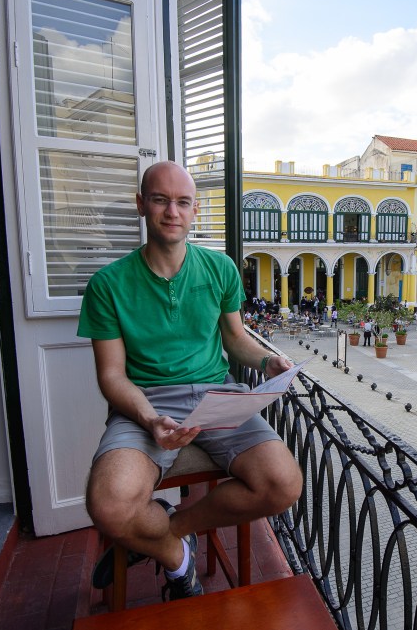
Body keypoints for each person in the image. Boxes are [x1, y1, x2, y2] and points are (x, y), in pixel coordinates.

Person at [77, 161, 303, 600]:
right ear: (141, 205)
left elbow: (235, 340)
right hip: (145, 402)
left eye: (182, 202)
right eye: (160, 199)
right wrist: (148, 418)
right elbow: (111, 375)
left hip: (217, 396)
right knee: (107, 504)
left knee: (283, 484)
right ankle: (179, 563)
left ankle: (171, 531)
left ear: (196, 210)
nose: (171, 211)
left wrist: (267, 360)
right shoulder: (108, 284)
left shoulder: (220, 269)